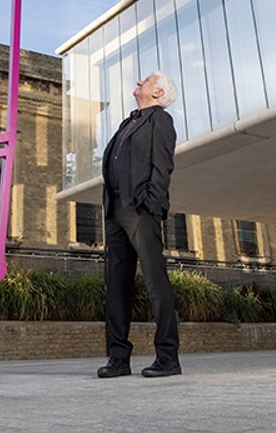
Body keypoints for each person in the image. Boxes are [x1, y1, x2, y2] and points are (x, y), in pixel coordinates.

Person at [96, 71, 181, 379]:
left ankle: (168, 357)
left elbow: (162, 167)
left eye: (146, 80)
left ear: (158, 93)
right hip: (115, 209)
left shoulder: (159, 121)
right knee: (116, 285)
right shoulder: (128, 122)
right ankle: (118, 358)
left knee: (155, 283)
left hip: (140, 210)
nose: (139, 83)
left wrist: (150, 208)